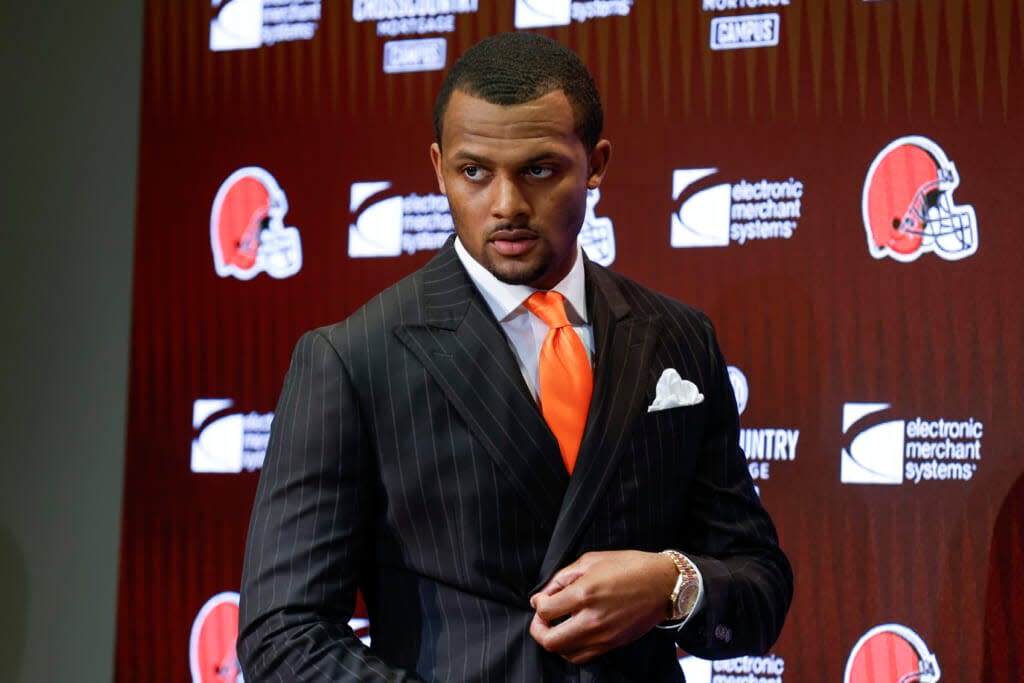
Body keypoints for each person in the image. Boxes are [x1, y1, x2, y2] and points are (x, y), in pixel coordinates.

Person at [238, 32, 792, 682]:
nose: (506, 205)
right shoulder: (353, 358)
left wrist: (672, 584)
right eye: (475, 172)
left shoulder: (677, 338)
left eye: (539, 169)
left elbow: (758, 585)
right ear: (439, 166)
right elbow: (283, 635)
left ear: (597, 164)